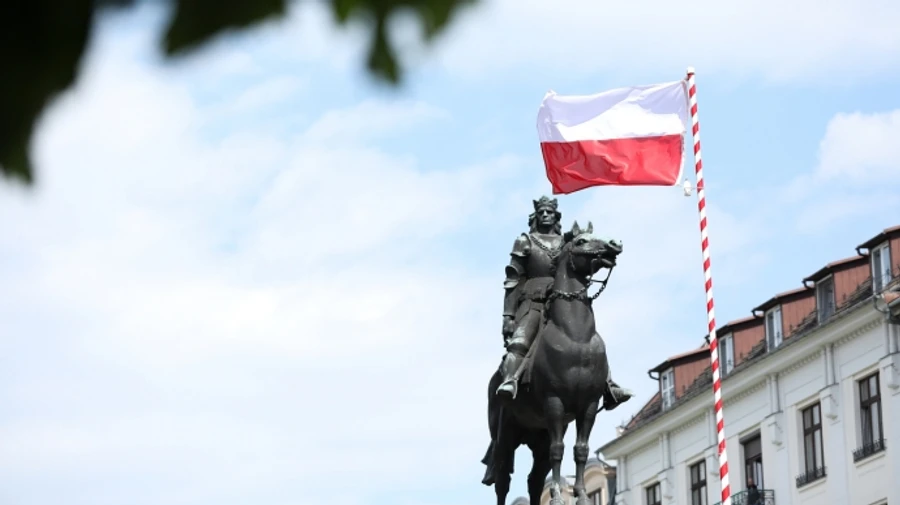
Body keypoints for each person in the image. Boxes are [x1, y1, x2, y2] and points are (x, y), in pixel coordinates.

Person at [496, 196, 633, 411]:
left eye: (549, 212)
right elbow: (513, 278)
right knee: (521, 341)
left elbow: (581, 261)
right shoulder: (525, 241)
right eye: (541, 212)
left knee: (590, 340)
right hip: (533, 303)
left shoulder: (565, 243)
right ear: (535, 216)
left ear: (556, 215)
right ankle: (510, 380)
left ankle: (609, 386)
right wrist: (508, 316)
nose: (545, 215)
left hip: (563, 301)